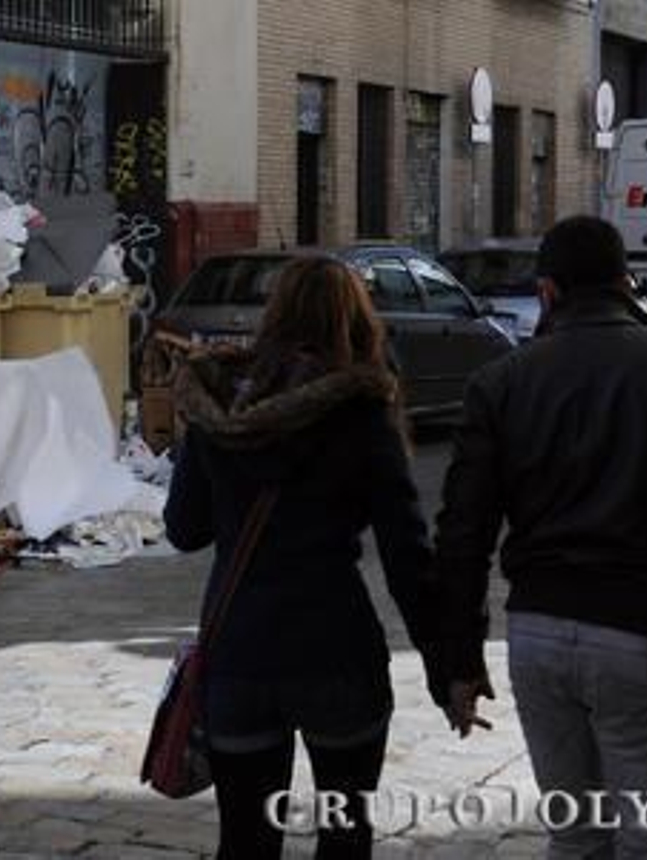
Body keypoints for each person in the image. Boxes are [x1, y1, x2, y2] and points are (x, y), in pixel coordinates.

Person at [435, 215, 647, 857]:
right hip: (646, 639)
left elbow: (462, 533)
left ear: (547, 292)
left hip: (537, 638)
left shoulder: (500, 383)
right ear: (627, 283)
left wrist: (458, 661)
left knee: (575, 837)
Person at [165, 256, 445, 859]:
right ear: (356, 319)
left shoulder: (219, 410)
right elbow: (407, 556)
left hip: (239, 645)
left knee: (244, 840)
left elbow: (183, 531)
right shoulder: (362, 413)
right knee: (346, 835)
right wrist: (447, 667)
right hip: (335, 647)